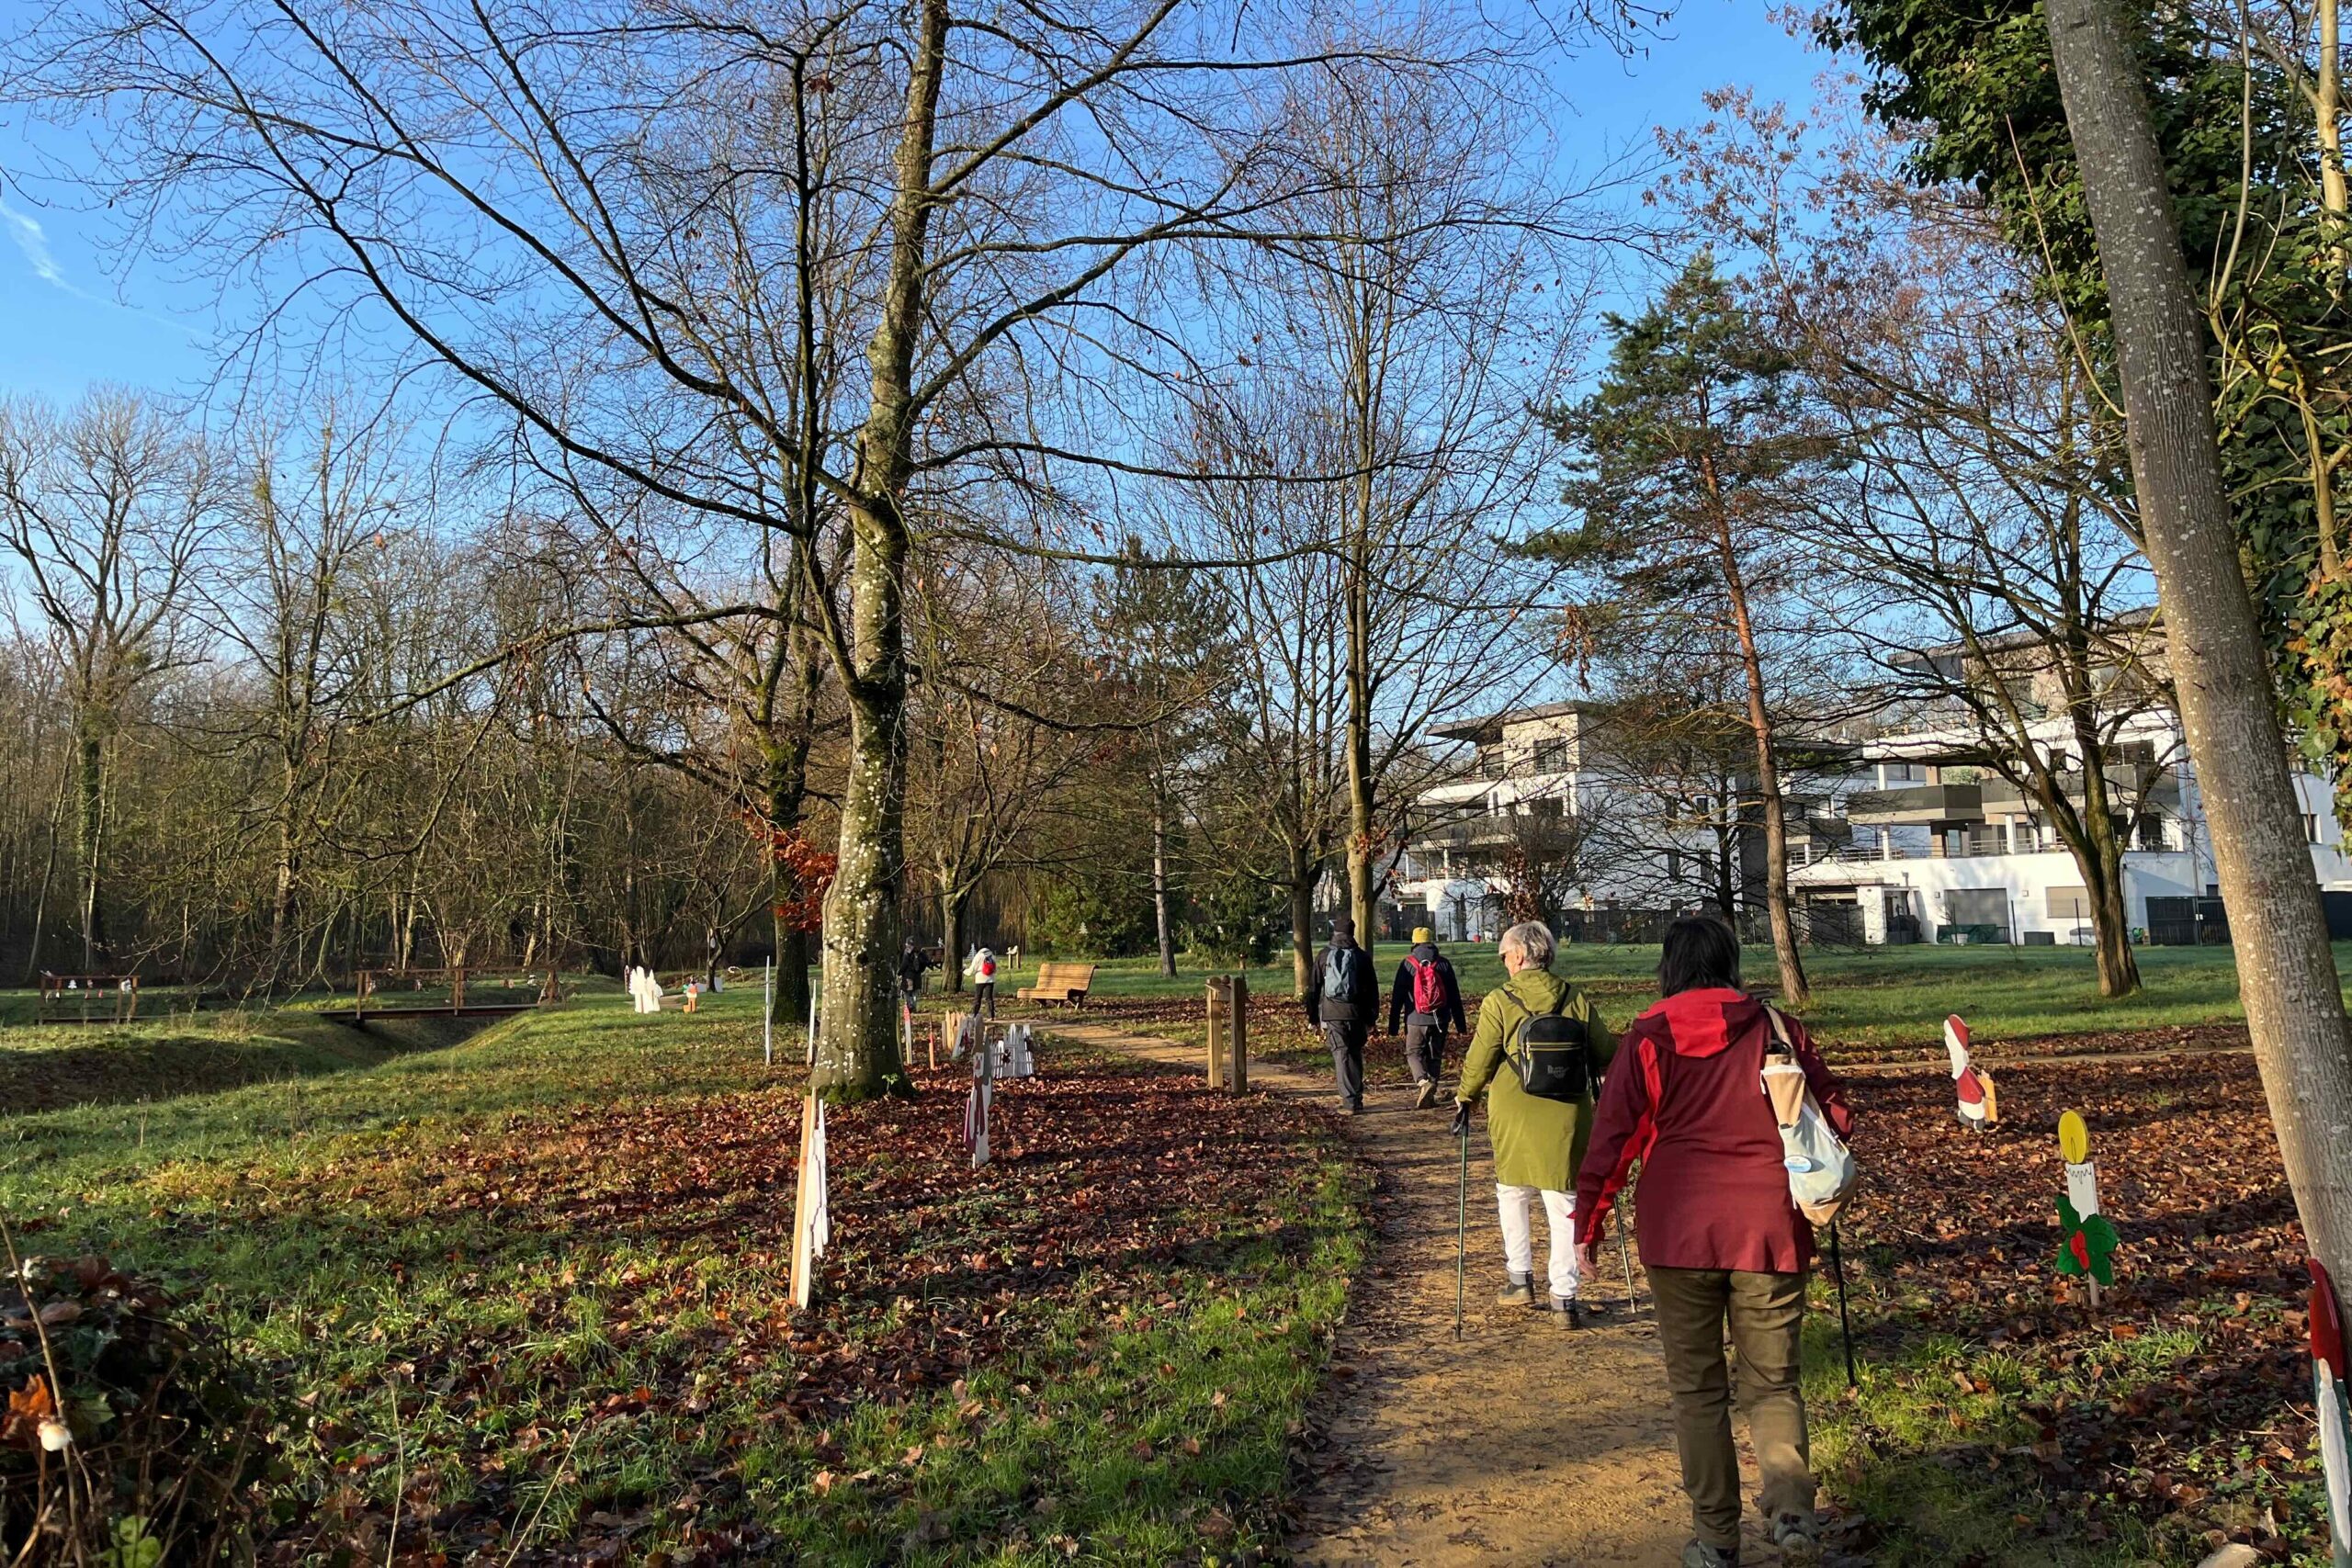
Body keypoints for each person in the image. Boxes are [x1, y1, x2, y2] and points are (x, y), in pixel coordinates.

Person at [1575, 916, 1855, 1568]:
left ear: (1669, 966)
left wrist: (1589, 1223)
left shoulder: (1647, 1037)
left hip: (1677, 1231)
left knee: (1698, 1393)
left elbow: (1612, 1139)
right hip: (1769, 1227)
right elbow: (1836, 1117)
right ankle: (1792, 1515)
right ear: (1731, 961)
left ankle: (1716, 1540)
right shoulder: (1778, 1028)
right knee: (1774, 1386)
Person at [1453, 920, 1615, 1325]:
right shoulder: (1575, 998)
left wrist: (1465, 1096)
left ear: (1520, 955)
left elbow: (1481, 1059)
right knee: (1564, 1204)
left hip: (1515, 1111)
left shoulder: (1500, 1000)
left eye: (1504, 955)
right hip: (1567, 1112)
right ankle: (1564, 1298)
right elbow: (1607, 1052)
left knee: (1512, 1193)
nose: (1504, 963)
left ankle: (1519, 1280)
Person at [1387, 925, 1467, 1110]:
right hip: (1440, 1019)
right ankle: (1430, 1095)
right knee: (1435, 1056)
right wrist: (1461, 1025)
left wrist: (1393, 1026)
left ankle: (1423, 1082)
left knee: (1413, 1053)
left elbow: (1397, 996)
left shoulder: (1407, 964)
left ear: (1414, 942)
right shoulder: (1443, 963)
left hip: (1415, 1019)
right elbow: (1454, 995)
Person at [1303, 915, 1376, 1113]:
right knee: (1354, 1053)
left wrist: (1312, 1017)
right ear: (1352, 933)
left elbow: (1313, 989)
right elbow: (1372, 990)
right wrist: (1372, 1018)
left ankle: (1350, 1101)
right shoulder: (1362, 957)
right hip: (1357, 1013)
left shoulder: (1324, 955)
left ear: (1334, 933)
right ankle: (1356, 1097)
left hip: (1333, 1013)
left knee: (1341, 1054)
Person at [967, 945, 999, 1018]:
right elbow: (995, 969)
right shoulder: (992, 956)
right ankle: (992, 1016)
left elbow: (972, 970)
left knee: (978, 997)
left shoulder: (978, 956)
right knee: (989, 998)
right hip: (990, 979)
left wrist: (964, 971)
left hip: (980, 979)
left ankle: (974, 1014)